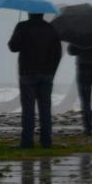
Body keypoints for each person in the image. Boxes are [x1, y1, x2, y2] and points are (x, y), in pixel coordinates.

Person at [8, 13, 62, 148]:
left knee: (28, 109)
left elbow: (13, 47)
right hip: (47, 74)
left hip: (27, 73)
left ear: (29, 13)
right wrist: (52, 72)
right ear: (43, 13)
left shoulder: (22, 26)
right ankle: (46, 141)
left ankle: (27, 142)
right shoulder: (51, 28)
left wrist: (18, 33)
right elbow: (58, 53)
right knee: (45, 109)